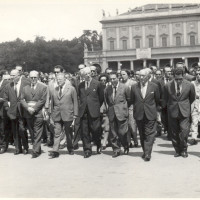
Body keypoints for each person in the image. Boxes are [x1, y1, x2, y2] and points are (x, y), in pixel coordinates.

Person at [164, 68, 195, 158]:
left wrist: (185, 106)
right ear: (173, 77)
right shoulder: (167, 86)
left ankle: (184, 149)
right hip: (172, 111)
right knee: (174, 132)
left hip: (184, 111)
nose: (178, 81)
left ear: (183, 76)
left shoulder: (189, 85)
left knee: (184, 131)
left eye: (180, 79)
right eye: (176, 79)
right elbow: (166, 99)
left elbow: (192, 98)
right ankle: (177, 150)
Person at [130, 68, 160, 161]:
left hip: (150, 113)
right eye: (140, 75)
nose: (141, 77)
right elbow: (132, 100)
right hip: (139, 114)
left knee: (149, 134)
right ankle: (145, 151)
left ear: (148, 76)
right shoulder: (134, 87)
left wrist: (157, 112)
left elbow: (157, 100)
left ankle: (147, 153)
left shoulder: (154, 86)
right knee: (142, 134)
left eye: (143, 75)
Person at [48, 73, 78, 158]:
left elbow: (75, 102)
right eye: (57, 79)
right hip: (57, 114)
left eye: (60, 79)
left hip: (68, 114)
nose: (59, 81)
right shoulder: (54, 89)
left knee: (68, 133)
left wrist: (75, 114)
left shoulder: (71, 89)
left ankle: (70, 148)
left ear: (65, 80)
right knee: (57, 133)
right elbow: (52, 104)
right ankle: (55, 151)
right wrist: (51, 115)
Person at [78, 67, 104, 158]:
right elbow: (80, 97)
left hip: (94, 111)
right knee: (85, 132)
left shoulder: (97, 84)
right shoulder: (80, 85)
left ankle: (98, 143)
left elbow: (101, 98)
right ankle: (87, 150)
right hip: (83, 112)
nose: (88, 75)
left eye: (89, 73)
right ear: (82, 76)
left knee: (96, 130)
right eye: (85, 74)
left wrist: (95, 106)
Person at [21, 71, 47, 158]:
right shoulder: (25, 88)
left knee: (37, 131)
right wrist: (28, 108)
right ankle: (38, 148)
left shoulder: (43, 87)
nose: (33, 79)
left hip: (38, 113)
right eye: (31, 77)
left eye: (35, 77)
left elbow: (42, 100)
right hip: (28, 113)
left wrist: (34, 108)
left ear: (38, 77)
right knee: (32, 132)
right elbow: (21, 99)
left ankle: (35, 151)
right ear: (29, 78)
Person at [3, 69, 30, 155]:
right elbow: (5, 99)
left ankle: (25, 147)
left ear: (18, 75)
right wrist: (7, 109)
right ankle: (18, 149)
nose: (11, 77)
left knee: (22, 129)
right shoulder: (8, 86)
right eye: (11, 75)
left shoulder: (25, 84)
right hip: (12, 112)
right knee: (15, 131)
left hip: (22, 112)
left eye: (13, 75)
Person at [104, 72, 130, 157]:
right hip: (112, 113)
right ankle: (116, 149)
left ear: (118, 78)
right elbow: (107, 101)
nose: (112, 80)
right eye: (111, 79)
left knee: (122, 132)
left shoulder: (125, 87)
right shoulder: (107, 89)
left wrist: (125, 109)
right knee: (113, 133)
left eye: (114, 78)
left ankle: (125, 145)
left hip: (122, 113)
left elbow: (129, 100)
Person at [121, 69, 138, 148]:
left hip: (132, 105)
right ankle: (128, 142)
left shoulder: (133, 83)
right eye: (121, 74)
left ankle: (135, 140)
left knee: (132, 124)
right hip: (124, 106)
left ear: (128, 75)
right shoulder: (120, 84)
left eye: (124, 74)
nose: (122, 76)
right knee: (126, 124)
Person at [189, 70, 200, 145]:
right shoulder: (192, 84)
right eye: (197, 74)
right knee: (194, 122)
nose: (198, 75)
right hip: (195, 105)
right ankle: (194, 138)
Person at [0, 70, 10, 154]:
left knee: (3, 128)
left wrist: (2, 99)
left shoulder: (7, 83)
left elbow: (8, 96)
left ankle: (3, 146)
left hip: (3, 108)